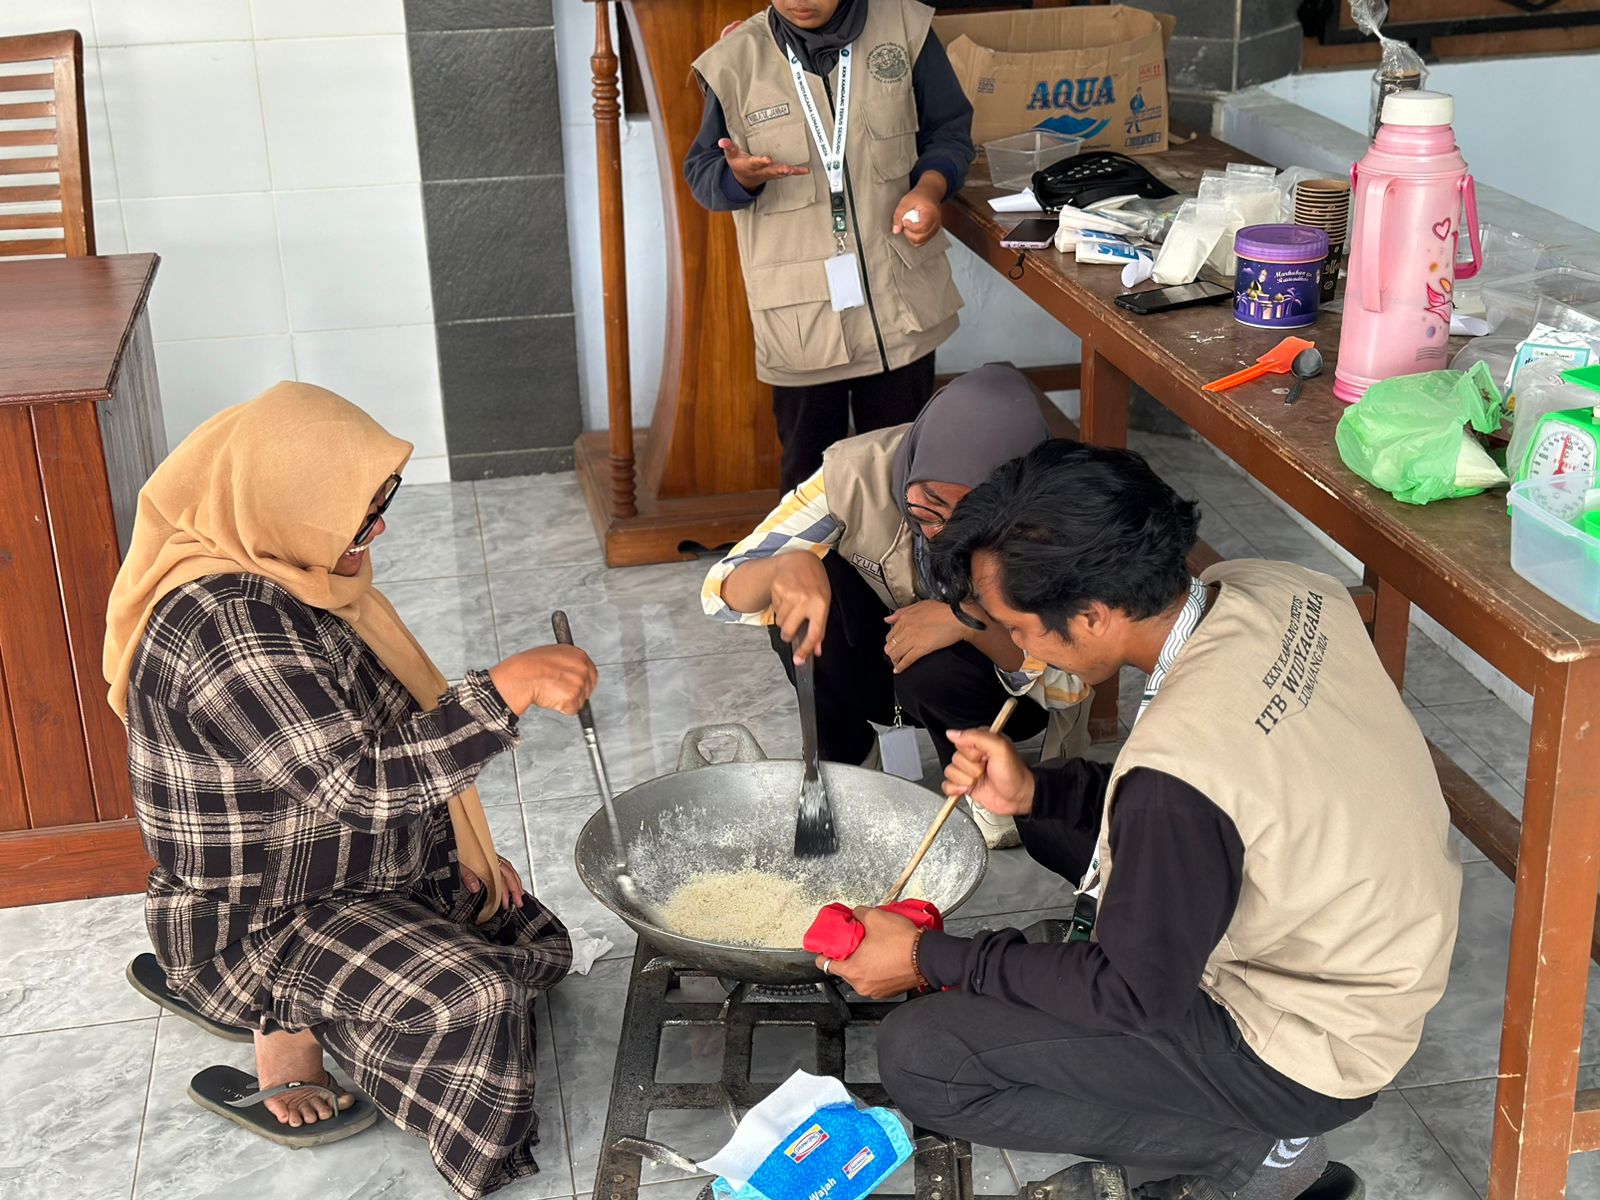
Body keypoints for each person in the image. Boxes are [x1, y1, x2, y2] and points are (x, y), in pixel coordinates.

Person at [818, 440, 1462, 1200]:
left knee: (926, 1054)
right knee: (1055, 824)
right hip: (1377, 953)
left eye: (1021, 628)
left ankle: (1255, 1155)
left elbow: (1132, 992)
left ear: (1091, 616)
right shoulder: (1276, 586)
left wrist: (933, 959)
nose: (1021, 650)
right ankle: (1223, 1117)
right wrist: (1036, 791)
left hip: (1311, 1044)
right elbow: (1217, 804)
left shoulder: (1176, 773)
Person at [105, 382, 597, 1199]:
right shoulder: (229, 628)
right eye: (360, 514)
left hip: (348, 868)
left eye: (380, 504)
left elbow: (370, 739)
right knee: (480, 1001)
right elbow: (356, 782)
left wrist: (457, 845)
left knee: (533, 946)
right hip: (263, 917)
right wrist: (502, 693)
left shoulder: (287, 570)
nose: (377, 531)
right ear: (283, 502)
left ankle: (310, 1003)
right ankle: (277, 1017)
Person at [702, 364, 1092, 848]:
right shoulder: (861, 470)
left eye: (969, 516)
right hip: (879, 660)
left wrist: (966, 622)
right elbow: (720, 589)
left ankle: (985, 784)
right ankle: (849, 754)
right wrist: (781, 571)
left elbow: (1070, 680)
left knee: (935, 668)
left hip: (997, 692)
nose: (938, 530)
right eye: (928, 502)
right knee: (798, 597)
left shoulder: (1053, 515)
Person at [684, 0, 976, 491]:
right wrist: (737, 177)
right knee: (808, 480)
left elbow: (948, 131)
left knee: (902, 471)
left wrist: (930, 189)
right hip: (802, 320)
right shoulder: (734, 59)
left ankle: (899, 569)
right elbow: (702, 173)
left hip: (896, 309)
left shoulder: (906, 29)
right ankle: (816, 570)